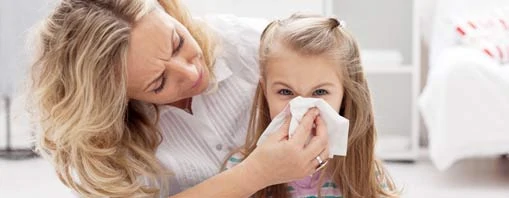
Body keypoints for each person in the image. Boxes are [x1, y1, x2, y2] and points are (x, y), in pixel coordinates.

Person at [29, 0, 329, 197]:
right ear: (115, 101)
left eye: (177, 42)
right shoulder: (103, 146)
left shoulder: (251, 46)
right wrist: (254, 174)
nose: (191, 72)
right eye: (159, 83)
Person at [223, 14, 399, 198]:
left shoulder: (364, 173)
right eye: (285, 92)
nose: (303, 109)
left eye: (320, 92)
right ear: (265, 91)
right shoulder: (241, 169)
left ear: (345, 95)